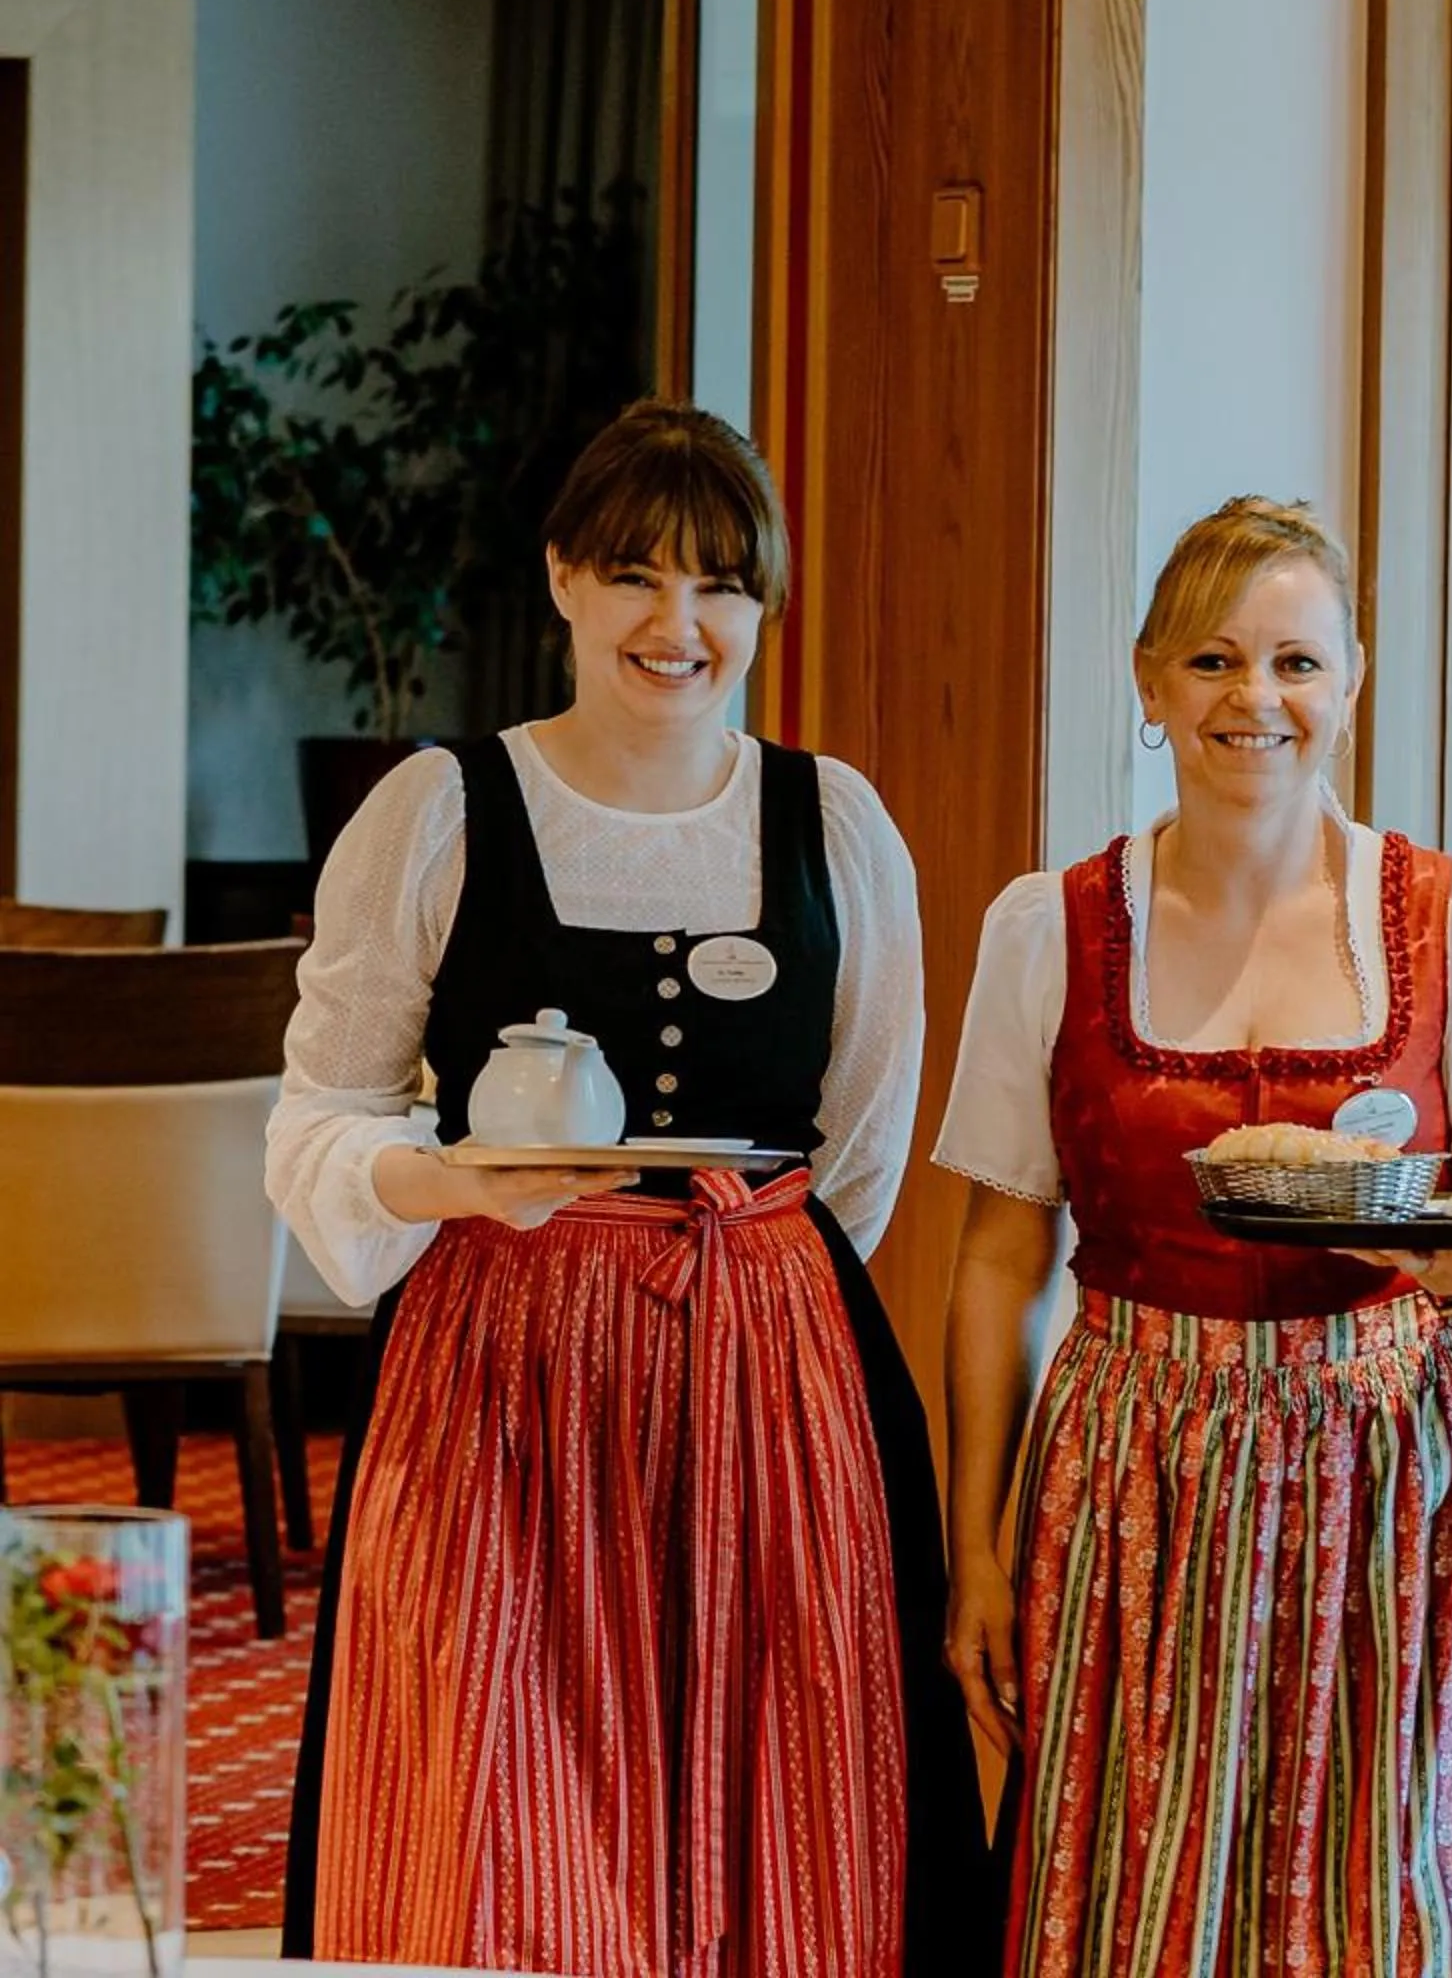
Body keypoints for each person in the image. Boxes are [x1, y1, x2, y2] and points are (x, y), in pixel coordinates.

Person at [267, 399, 990, 1971]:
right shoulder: (441, 810)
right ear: (564, 584)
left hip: (770, 1371)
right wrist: (450, 1185)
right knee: (494, 1789)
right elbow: (321, 1108)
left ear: (759, 608)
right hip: (496, 1371)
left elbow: (855, 1146)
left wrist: (745, 1302)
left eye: (721, 586)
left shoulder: (835, 824)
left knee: (784, 1779)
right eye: (636, 577)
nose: (680, 624)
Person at [934, 495, 1452, 1977]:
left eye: (1295, 662)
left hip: (1397, 1459)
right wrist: (974, 1546)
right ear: (1151, 685)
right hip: (1134, 1456)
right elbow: (994, 1255)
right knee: (1129, 1898)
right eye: (1215, 663)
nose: (1255, 700)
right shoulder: (1051, 923)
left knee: (1397, 1893)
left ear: (1351, 681)